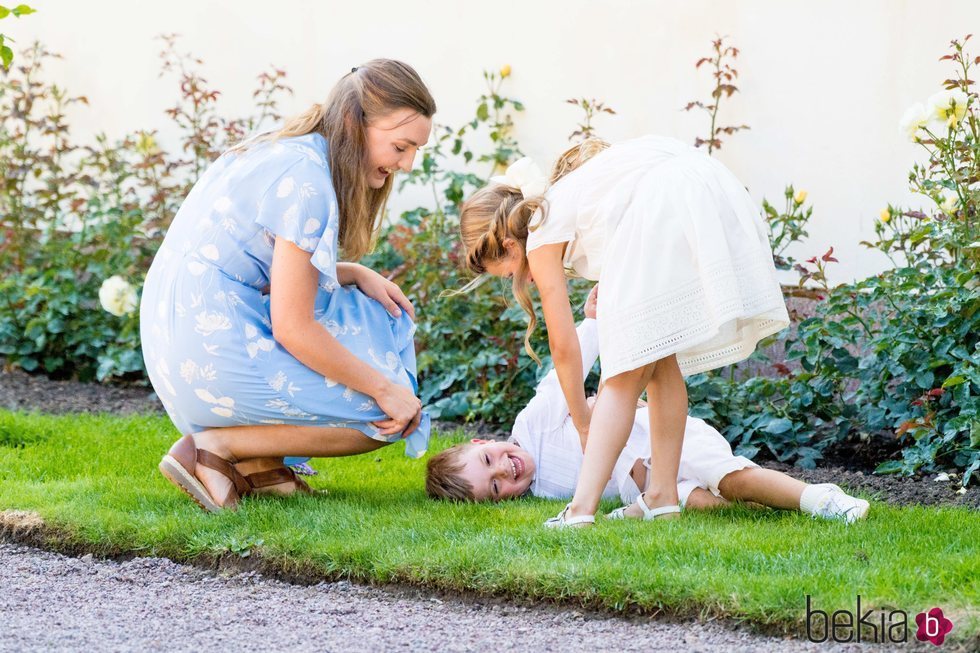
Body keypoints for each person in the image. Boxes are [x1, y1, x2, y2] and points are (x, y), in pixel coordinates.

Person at [142, 60, 436, 512]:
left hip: (177, 331)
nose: (408, 164)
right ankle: (213, 451)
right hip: (206, 342)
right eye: (401, 146)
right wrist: (384, 388)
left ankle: (260, 464)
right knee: (383, 417)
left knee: (360, 317)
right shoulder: (308, 183)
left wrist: (354, 271)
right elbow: (293, 327)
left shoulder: (285, 152)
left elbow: (254, 269)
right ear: (353, 124)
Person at [457, 137, 790, 527]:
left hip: (662, 201)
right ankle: (662, 496)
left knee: (624, 367)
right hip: (696, 181)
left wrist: (584, 424)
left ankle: (580, 511)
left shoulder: (541, 236)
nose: (523, 279)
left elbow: (563, 347)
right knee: (658, 352)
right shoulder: (561, 202)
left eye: (512, 273)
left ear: (511, 245)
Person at [426, 285, 870, 525]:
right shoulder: (543, 492)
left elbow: (566, 374)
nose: (506, 470)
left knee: (732, 479)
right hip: (652, 487)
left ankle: (821, 499)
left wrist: (593, 321)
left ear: (482, 439)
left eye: (489, 459)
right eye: (497, 486)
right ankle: (775, 508)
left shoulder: (532, 426)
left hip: (663, 436)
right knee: (703, 504)